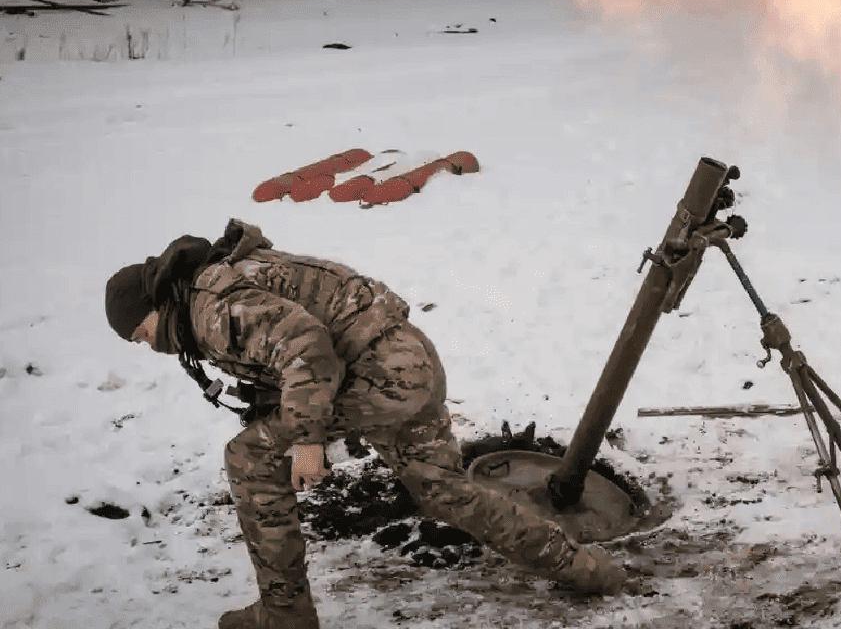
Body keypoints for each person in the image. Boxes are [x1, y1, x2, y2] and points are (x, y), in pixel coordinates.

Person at [104, 219, 625, 629]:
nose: (145, 344)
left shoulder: (212, 310)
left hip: (380, 375)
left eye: (138, 333)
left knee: (248, 457)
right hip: (408, 361)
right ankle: (587, 570)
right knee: (444, 491)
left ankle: (285, 614)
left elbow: (306, 346)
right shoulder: (222, 283)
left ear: (152, 306)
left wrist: (307, 443)